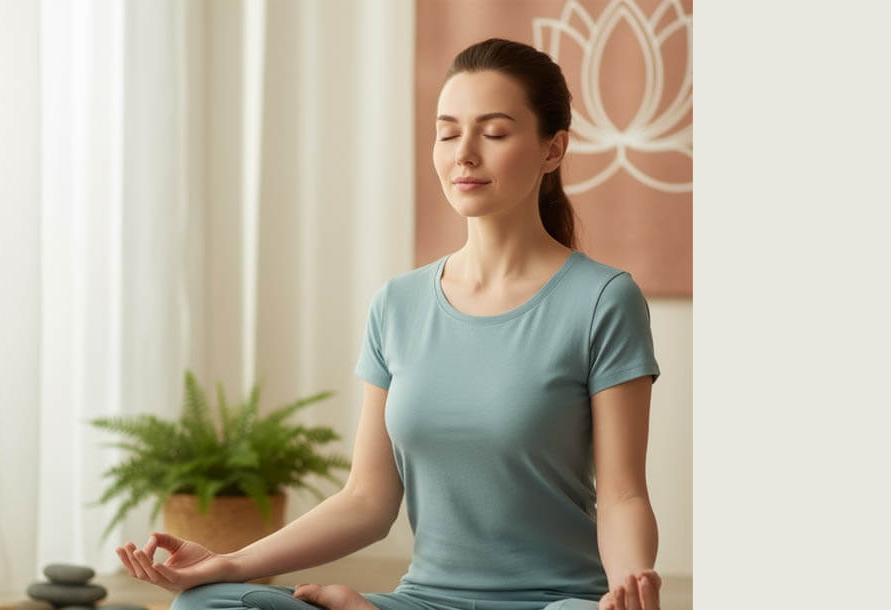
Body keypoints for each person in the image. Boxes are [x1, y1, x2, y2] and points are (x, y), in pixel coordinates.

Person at [115, 37, 664, 610]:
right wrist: (227, 563)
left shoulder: (602, 299)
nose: (464, 154)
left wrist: (629, 589)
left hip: (555, 602)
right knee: (207, 605)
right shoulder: (397, 305)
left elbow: (623, 493)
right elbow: (367, 499)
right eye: (448, 132)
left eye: (494, 132)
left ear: (553, 150)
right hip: (426, 599)